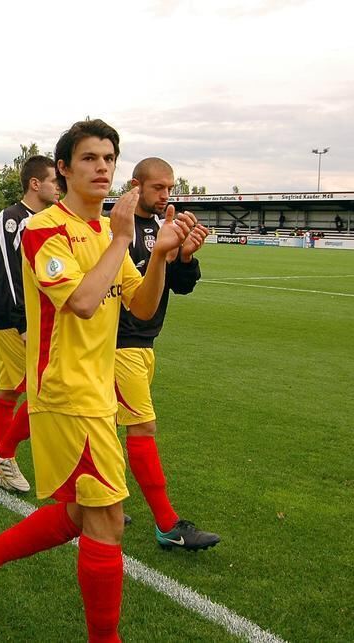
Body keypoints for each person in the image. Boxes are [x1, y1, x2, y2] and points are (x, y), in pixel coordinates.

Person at [0, 119, 197, 641]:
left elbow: (142, 303)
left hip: (96, 389)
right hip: (64, 392)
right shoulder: (46, 229)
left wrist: (157, 256)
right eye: (89, 158)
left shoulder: (103, 233)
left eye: (109, 158)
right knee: (107, 520)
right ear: (63, 169)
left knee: (74, 514)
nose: (103, 167)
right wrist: (126, 239)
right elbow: (85, 304)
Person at [115, 157, 218, 552]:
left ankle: (94, 499)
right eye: (159, 187)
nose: (166, 196)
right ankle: (167, 523)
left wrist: (186, 257)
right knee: (142, 427)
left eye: (170, 188)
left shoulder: (163, 226)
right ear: (136, 185)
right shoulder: (118, 226)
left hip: (145, 341)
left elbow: (181, 286)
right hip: (120, 343)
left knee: (102, 424)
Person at [0, 155, 59, 493]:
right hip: (12, 318)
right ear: (35, 183)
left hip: (30, 317)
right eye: (54, 181)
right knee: (45, 387)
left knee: (8, 390)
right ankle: (3, 455)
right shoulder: (12, 219)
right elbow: (9, 274)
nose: (59, 187)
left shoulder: (48, 219)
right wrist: (23, 322)